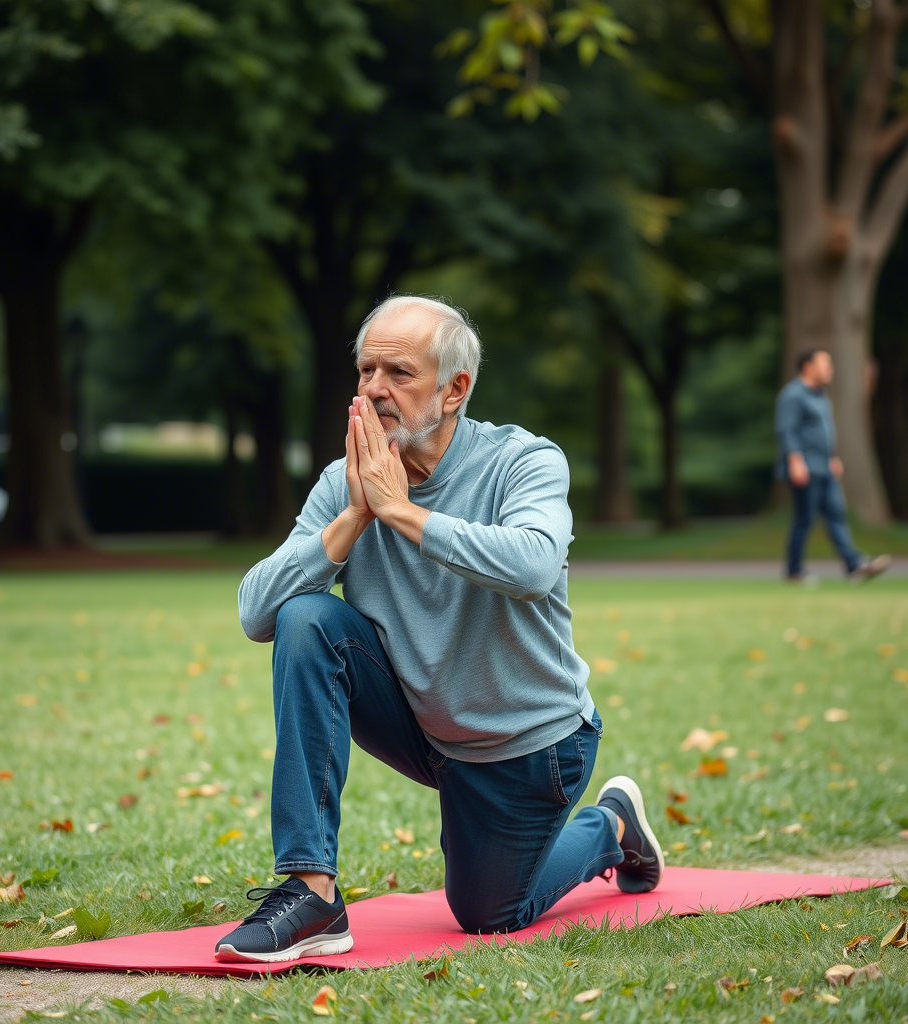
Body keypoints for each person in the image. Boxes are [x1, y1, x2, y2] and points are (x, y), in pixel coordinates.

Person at [214, 295, 663, 964]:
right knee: (307, 617)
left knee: (489, 913)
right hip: (424, 726)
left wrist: (400, 513)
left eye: (398, 372)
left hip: (528, 745)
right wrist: (356, 517)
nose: (374, 388)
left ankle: (609, 823)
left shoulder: (524, 462)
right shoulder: (349, 483)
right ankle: (311, 890)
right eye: (366, 371)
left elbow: (536, 564)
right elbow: (257, 612)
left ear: (456, 389)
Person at [775, 348, 890, 584]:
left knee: (837, 514)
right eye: (824, 364)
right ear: (808, 366)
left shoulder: (820, 395)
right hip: (805, 467)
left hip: (824, 466)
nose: (830, 369)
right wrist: (795, 461)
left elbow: (823, 432)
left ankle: (854, 564)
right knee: (804, 519)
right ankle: (794, 570)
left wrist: (832, 457)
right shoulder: (793, 395)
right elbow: (787, 430)